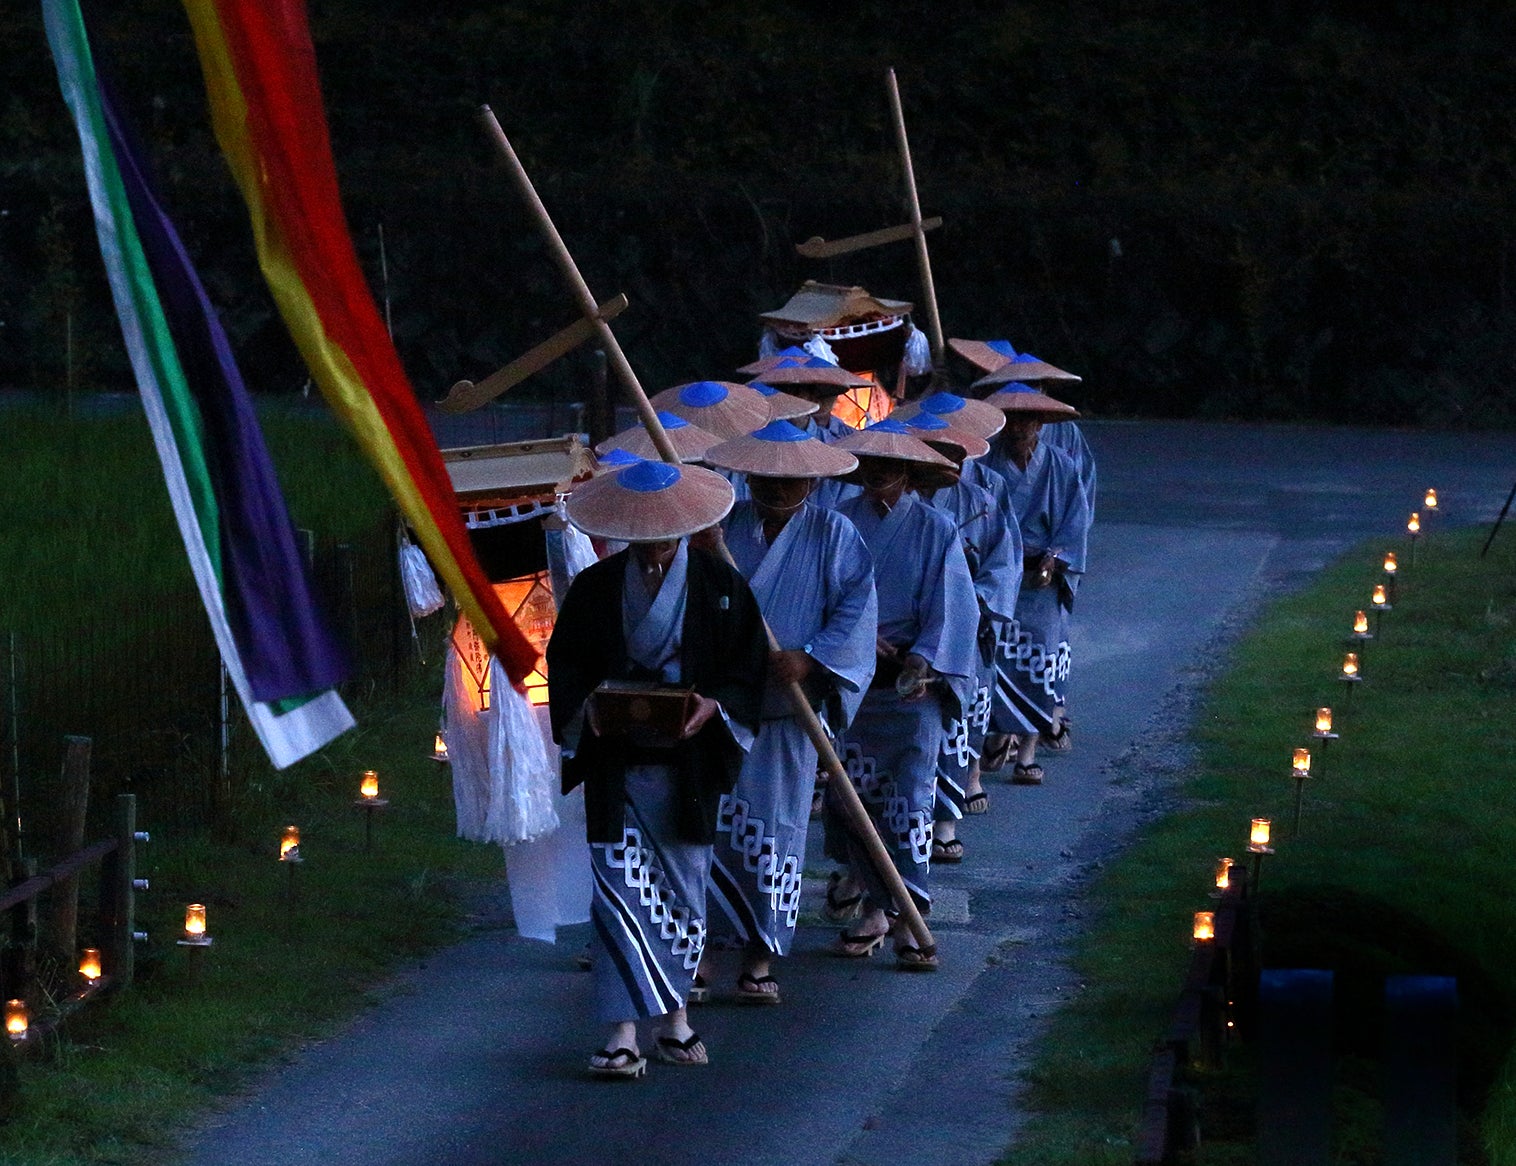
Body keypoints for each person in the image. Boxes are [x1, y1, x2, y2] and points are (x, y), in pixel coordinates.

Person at [548, 459, 769, 1078]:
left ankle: (675, 1017)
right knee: (617, 893)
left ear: (685, 528)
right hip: (617, 762)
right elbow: (567, 664)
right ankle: (620, 1031)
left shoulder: (720, 584)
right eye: (641, 537)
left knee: (682, 892)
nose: (652, 547)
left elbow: (746, 666)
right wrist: (589, 706)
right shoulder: (596, 586)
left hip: (687, 762)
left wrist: (713, 703)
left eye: (664, 536)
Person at [698, 421, 877, 1002]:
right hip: (721, 706)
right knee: (706, 831)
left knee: (776, 831)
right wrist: (702, 556)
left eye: (790, 479)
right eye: (765, 478)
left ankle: (760, 957)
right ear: (747, 477)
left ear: (812, 481)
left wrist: (812, 656)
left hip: (786, 710)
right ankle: (700, 950)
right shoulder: (722, 527)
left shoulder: (835, 533)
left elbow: (856, 608)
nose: (776, 488)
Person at [825, 420, 979, 969]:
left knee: (909, 800)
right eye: (871, 465)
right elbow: (826, 594)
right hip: (851, 682)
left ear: (910, 473)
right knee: (851, 801)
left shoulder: (937, 528)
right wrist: (857, 632)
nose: (878, 475)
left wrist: (925, 658)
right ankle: (874, 905)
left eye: (890, 467)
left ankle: (908, 917)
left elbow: (954, 605)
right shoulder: (838, 521)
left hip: (911, 686)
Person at [902, 413, 1021, 863]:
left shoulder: (982, 502)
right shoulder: (898, 505)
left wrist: (971, 601)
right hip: (901, 636)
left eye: (952, 454)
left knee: (951, 723)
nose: (944, 462)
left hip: (960, 632)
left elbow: (1003, 563)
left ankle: (945, 823)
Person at [979, 386, 1091, 785]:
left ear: (1041, 423)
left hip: (1042, 578)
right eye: (1013, 419)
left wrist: (1056, 556)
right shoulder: (986, 464)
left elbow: (1075, 520)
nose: (1020, 427)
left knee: (1038, 664)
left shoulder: (1061, 466)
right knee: (992, 663)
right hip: (999, 574)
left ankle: (1026, 752)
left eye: (1029, 419)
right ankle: (994, 738)